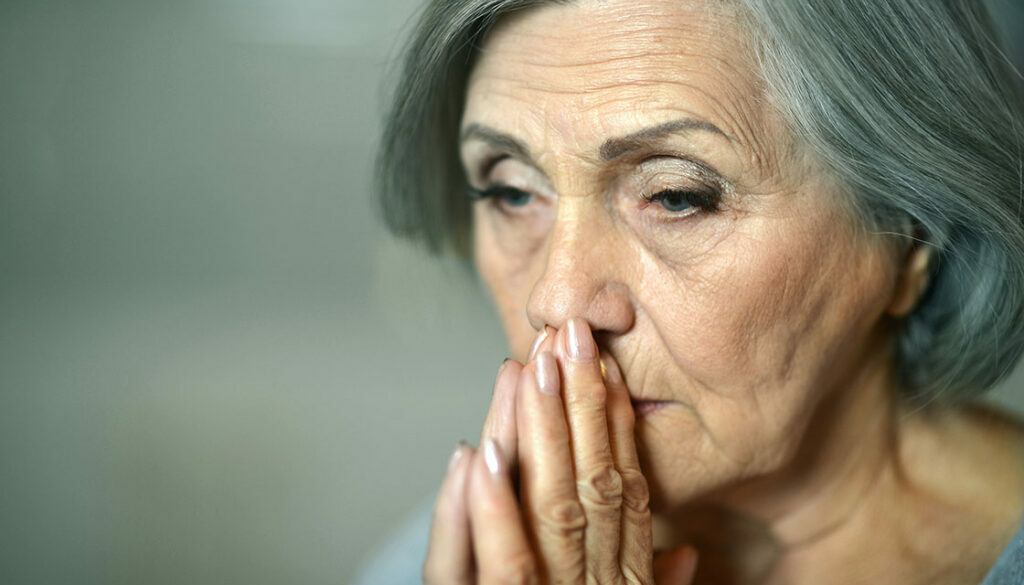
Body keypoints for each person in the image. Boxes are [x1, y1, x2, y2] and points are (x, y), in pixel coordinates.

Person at [357, 0, 1024, 583]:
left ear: (909, 239)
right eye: (511, 191)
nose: (555, 302)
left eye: (676, 196)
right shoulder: (468, 556)